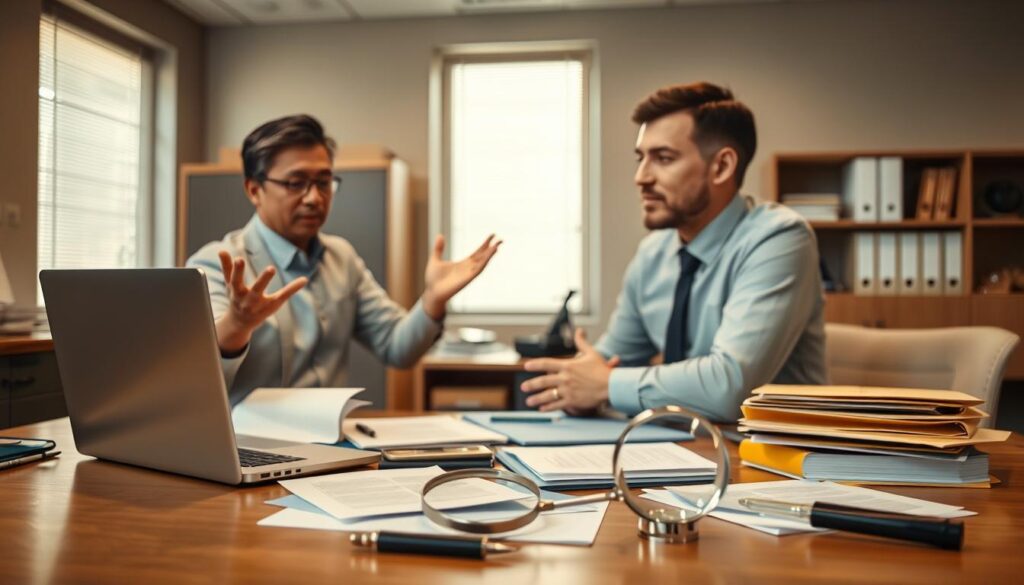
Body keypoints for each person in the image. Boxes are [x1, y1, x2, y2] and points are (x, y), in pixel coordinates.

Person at [520, 82, 827, 422]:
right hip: (677, 447)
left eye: (663, 158)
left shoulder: (780, 239)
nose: (641, 177)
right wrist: (577, 390)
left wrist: (606, 385)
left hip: (766, 459)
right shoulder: (653, 254)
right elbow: (610, 363)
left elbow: (729, 387)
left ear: (722, 167)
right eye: (640, 158)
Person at [188, 114, 500, 404]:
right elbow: (198, 376)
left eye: (324, 182)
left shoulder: (341, 257)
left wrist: (432, 300)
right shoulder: (218, 264)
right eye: (296, 183)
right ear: (254, 189)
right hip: (248, 449)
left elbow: (397, 348)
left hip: (331, 445)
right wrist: (237, 325)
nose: (314, 198)